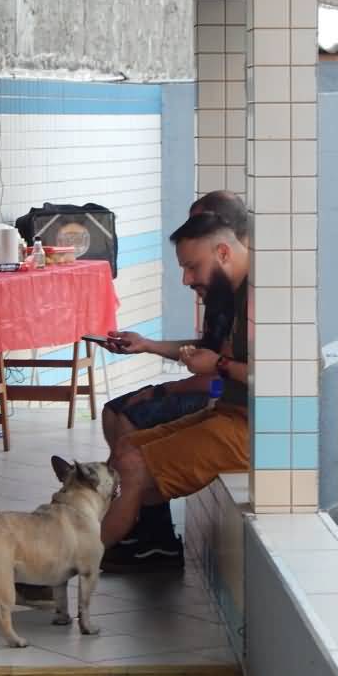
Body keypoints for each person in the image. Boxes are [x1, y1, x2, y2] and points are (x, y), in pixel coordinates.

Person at [98, 191, 248, 569]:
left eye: (192, 267)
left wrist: (217, 366)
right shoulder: (228, 292)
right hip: (228, 412)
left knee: (131, 462)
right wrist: (148, 345)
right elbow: (211, 355)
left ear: (223, 249)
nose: (185, 279)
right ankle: (120, 539)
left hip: (257, 430)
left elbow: (281, 378)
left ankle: (70, 563)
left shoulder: (264, 296)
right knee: (125, 450)